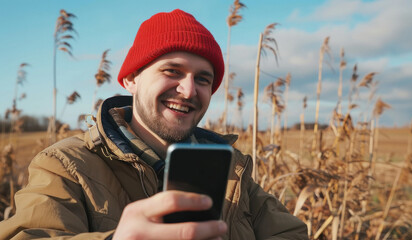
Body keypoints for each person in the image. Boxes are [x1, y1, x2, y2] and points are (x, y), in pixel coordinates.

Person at [0, 9, 308, 240]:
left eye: (203, 78)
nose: (188, 90)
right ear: (131, 79)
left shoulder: (231, 171)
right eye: (172, 71)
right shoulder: (66, 166)